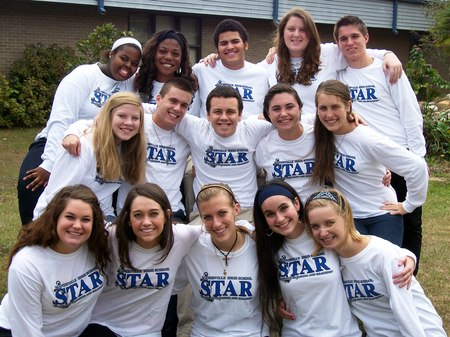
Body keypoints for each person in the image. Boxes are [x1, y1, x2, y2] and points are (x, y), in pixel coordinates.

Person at [252, 179, 416, 336]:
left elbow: (365, 247)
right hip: (296, 332)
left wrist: (407, 256)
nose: (279, 218)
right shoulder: (270, 250)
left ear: (296, 204)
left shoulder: (323, 236)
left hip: (342, 332)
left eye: (283, 208)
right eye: (270, 214)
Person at [333, 15, 426, 275]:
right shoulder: (339, 73)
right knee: (373, 217)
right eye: (343, 38)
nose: (350, 42)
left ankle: (409, 274)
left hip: (397, 155)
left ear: (366, 37)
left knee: (409, 219)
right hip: (367, 161)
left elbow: (410, 114)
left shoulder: (386, 69)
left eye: (355, 36)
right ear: (337, 43)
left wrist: (418, 156)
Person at [17, 37, 142, 225]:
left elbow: (148, 102)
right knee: (32, 184)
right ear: (111, 54)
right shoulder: (84, 75)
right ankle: (32, 233)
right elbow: (61, 119)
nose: (128, 66)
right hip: (62, 140)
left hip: (102, 146)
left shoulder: (132, 82)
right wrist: (49, 164)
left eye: (134, 63)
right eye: (123, 58)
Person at [204, 8, 402, 118]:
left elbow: (357, 51)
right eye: (291, 29)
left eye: (302, 29)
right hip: (287, 138)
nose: (296, 34)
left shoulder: (328, 53)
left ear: (311, 33)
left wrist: (388, 54)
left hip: (323, 137)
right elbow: (243, 72)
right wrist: (217, 59)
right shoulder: (271, 63)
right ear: (282, 33)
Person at [304, 188, 446, 337]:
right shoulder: (332, 259)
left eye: (330, 223)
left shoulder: (382, 255)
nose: (323, 232)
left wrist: (405, 256)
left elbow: (406, 312)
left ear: (346, 218)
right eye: (315, 226)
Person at [312, 79, 428, 246]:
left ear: (348, 106)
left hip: (380, 213)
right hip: (349, 215)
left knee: (386, 265)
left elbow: (416, 167)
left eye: (335, 107)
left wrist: (409, 205)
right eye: (323, 108)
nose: (329, 114)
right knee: (358, 267)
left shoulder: (367, 138)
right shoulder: (317, 133)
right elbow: (288, 119)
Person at [80, 183, 201, 337]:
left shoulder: (181, 237)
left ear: (167, 215)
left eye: (153, 214)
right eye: (138, 215)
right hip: (103, 326)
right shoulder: (111, 237)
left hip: (148, 332)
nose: (146, 222)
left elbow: (220, 228)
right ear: (128, 219)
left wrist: (242, 227)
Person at [0, 184, 110, 337]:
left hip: (78, 331)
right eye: (70, 217)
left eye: (85, 219)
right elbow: (27, 332)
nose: (77, 226)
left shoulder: (97, 246)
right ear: (55, 217)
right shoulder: (27, 264)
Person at [33, 92, 146, 221]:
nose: (129, 123)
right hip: (62, 216)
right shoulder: (82, 146)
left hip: (102, 217)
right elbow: (58, 196)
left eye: (135, 118)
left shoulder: (128, 148)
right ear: (108, 116)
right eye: (121, 116)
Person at [175, 183, 268, 336]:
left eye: (222, 213)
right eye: (208, 217)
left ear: (236, 209)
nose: (216, 223)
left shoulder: (258, 246)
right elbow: (170, 287)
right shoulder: (192, 249)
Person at [174, 85, 273, 224]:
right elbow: (159, 112)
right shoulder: (196, 128)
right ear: (208, 114)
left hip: (247, 213)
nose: (224, 117)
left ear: (240, 115)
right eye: (217, 112)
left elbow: (288, 122)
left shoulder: (253, 129)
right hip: (206, 214)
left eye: (230, 112)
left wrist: (263, 116)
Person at [191, 18, 270, 119]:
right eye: (224, 43)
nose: (230, 47)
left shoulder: (262, 74)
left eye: (235, 41)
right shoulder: (202, 70)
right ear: (217, 49)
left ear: (245, 45)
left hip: (251, 134)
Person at [255, 83, 320, 204]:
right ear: (268, 114)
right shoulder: (263, 146)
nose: (283, 114)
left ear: (300, 109)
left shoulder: (317, 136)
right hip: (282, 215)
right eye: (276, 109)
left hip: (316, 211)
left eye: (289, 107)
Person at [135, 30, 197, 105]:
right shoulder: (138, 81)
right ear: (153, 53)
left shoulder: (192, 84)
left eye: (175, 54)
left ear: (182, 58)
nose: (169, 57)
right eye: (162, 51)